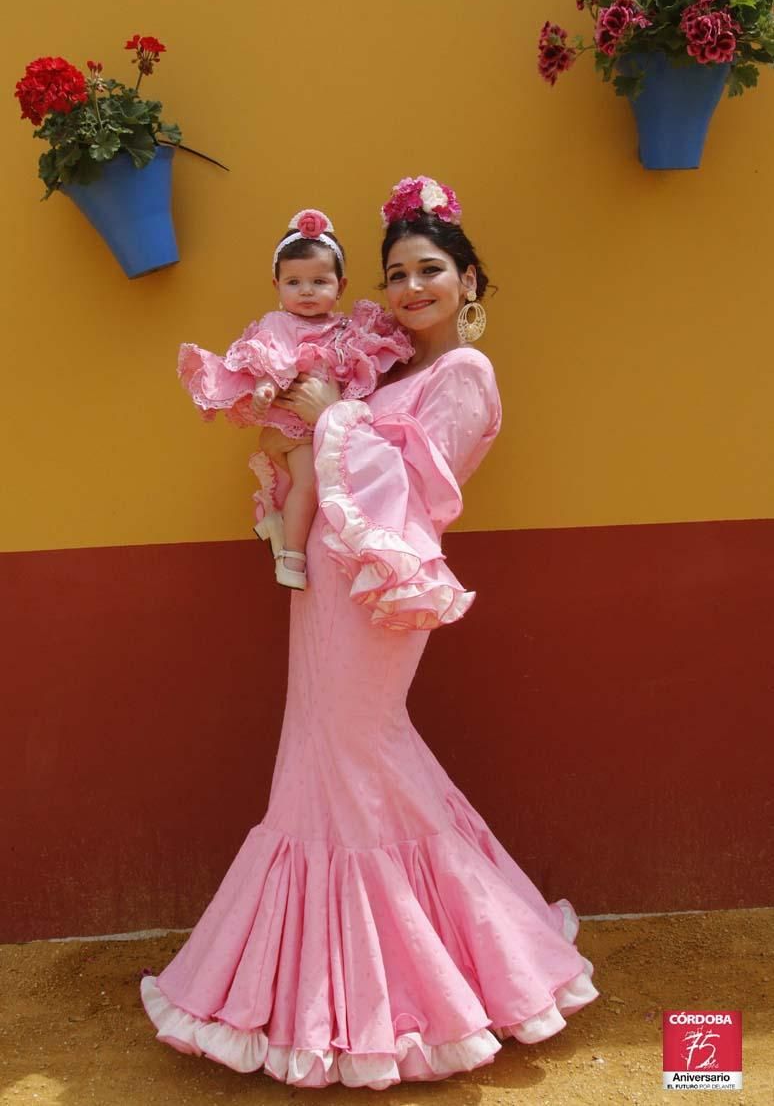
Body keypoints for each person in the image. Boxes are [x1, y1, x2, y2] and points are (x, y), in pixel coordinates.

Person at [141, 176, 598, 1088]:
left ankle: (419, 982)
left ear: (470, 281)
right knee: (322, 761)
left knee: (356, 756)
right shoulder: (387, 368)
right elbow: (331, 449)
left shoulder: (465, 374)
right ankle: (397, 971)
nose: (411, 285)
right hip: (325, 588)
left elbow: (431, 490)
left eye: (432, 268)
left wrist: (333, 419)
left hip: (380, 595)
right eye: (396, 272)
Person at [177, 208, 412, 589]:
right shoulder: (279, 326)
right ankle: (293, 555)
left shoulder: (346, 330)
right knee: (309, 484)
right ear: (276, 285)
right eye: (294, 282)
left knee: (328, 483)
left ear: (341, 285)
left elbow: (362, 370)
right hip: (296, 426)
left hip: (331, 423)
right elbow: (269, 365)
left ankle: (277, 522)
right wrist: (266, 389)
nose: (306, 291)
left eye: (319, 281)